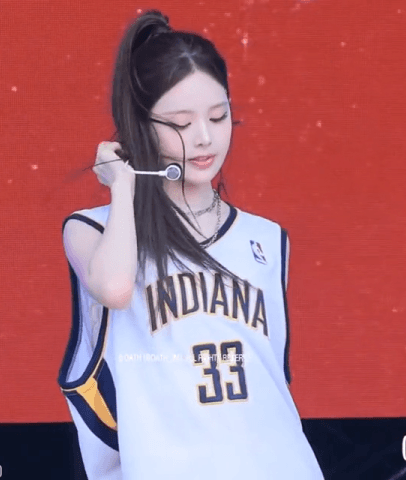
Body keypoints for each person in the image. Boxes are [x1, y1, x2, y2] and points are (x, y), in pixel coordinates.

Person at [58, 9, 324, 480]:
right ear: (140, 124)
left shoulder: (267, 239)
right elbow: (116, 288)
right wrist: (122, 186)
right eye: (180, 123)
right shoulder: (92, 230)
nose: (204, 138)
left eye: (219, 116)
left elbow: (271, 385)